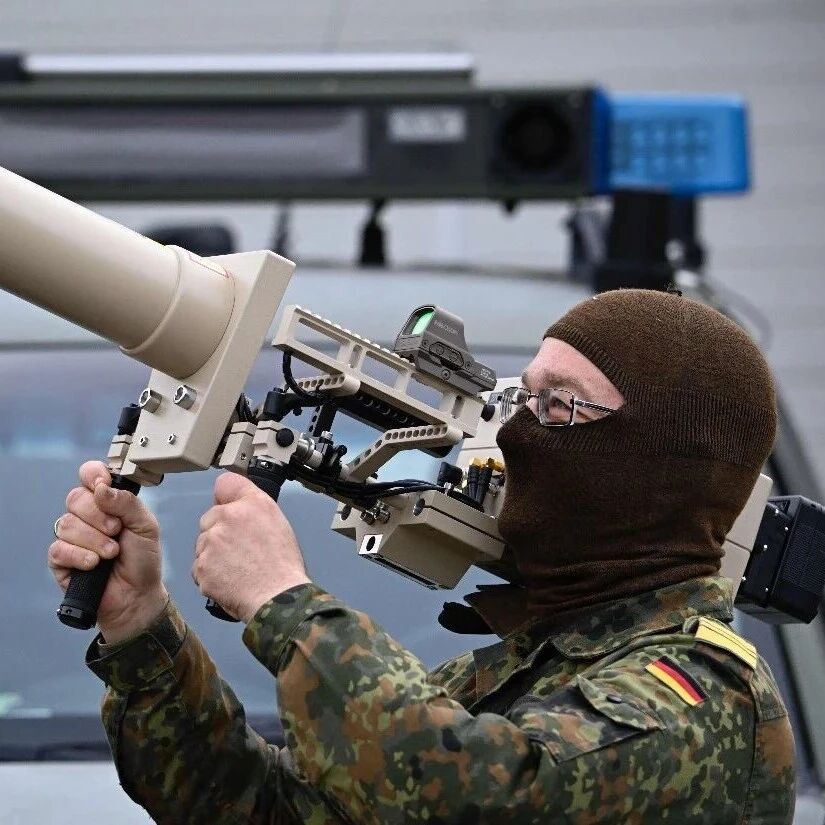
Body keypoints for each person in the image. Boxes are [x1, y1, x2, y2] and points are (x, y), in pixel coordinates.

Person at [48, 289, 796, 824]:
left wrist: (285, 603)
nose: (516, 435)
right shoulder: (518, 668)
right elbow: (265, 806)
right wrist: (140, 626)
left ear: (660, 465)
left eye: (557, 406)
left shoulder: (699, 696)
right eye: (523, 398)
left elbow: (470, 800)